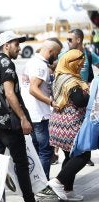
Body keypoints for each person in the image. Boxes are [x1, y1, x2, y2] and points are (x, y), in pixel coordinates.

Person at [0, 30, 36, 202]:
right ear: (6, 45)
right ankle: (29, 199)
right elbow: (10, 94)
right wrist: (23, 118)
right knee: (21, 164)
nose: (19, 48)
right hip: (10, 123)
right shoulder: (7, 64)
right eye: (16, 44)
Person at [47, 49, 90, 201]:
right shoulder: (70, 81)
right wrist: (90, 96)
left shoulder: (60, 75)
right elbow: (79, 101)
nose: (80, 67)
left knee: (69, 156)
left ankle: (68, 191)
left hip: (59, 123)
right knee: (83, 154)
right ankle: (57, 182)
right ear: (71, 63)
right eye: (79, 64)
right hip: (70, 125)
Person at [21, 39, 62, 179]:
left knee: (37, 151)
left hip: (31, 114)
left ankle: (37, 183)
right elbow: (33, 89)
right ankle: (43, 184)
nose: (56, 57)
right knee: (45, 151)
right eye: (56, 54)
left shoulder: (33, 62)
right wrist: (50, 102)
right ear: (50, 51)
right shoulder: (40, 66)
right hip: (40, 114)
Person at [66, 28, 98, 166]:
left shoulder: (89, 55)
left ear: (78, 40)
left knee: (85, 126)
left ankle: (85, 152)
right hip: (71, 99)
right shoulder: (64, 55)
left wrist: (93, 84)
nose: (67, 42)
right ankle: (76, 157)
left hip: (86, 99)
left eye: (70, 39)